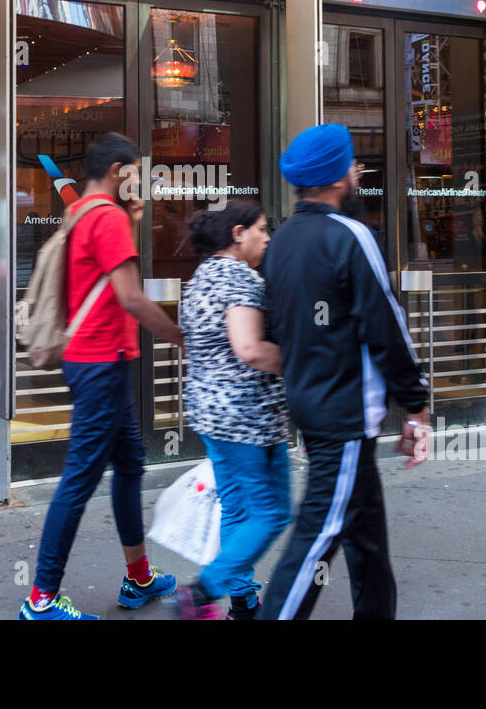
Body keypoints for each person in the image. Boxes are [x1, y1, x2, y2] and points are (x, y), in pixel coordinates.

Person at [258, 122, 431, 621]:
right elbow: (387, 326)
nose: (357, 170)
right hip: (344, 415)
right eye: (352, 163)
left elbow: (279, 329)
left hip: (312, 406)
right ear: (337, 177)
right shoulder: (351, 235)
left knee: (365, 533)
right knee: (319, 532)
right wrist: (416, 405)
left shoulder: (282, 240)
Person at [18, 132, 186, 620]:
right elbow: (130, 297)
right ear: (118, 171)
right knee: (79, 479)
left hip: (95, 361)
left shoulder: (81, 212)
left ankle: (139, 578)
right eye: (134, 171)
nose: (139, 180)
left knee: (130, 466)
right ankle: (41, 599)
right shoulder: (107, 217)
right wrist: (182, 337)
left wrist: (130, 219)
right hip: (101, 364)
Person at [175, 200, 289, 621]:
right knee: (272, 512)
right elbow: (250, 349)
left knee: (237, 509)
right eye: (262, 229)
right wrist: (305, 363)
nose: (268, 238)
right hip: (248, 417)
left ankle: (242, 602)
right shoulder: (239, 278)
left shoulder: (200, 277)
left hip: (211, 414)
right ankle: (203, 590)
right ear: (238, 233)